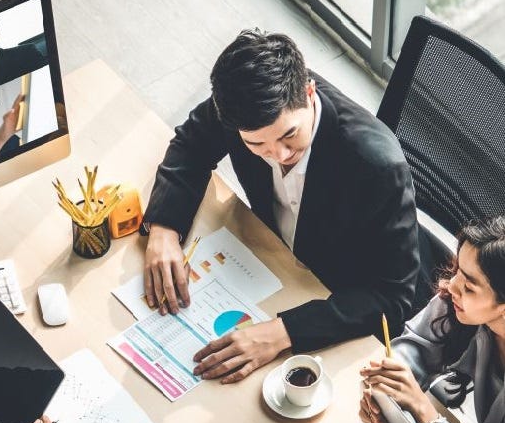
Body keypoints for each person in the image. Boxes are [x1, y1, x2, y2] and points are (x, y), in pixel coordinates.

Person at [142, 29, 419, 383]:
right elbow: (193, 142)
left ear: (308, 92)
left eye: (289, 135)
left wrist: (284, 332)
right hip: (269, 263)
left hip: (330, 295)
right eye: (257, 144)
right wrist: (165, 229)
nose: (280, 155)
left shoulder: (377, 165)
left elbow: (392, 296)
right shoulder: (244, 106)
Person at [360, 216, 505, 423]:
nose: (452, 286)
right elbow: (414, 347)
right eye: (458, 271)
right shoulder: (456, 303)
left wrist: (424, 412)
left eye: (469, 286)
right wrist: (385, 391)